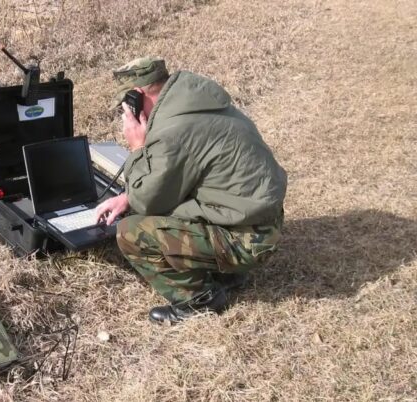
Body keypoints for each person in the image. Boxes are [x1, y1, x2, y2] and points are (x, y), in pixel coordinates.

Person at [95, 57, 287, 324]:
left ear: (137, 96)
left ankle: (199, 299)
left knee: (132, 231)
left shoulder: (173, 132)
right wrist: (126, 197)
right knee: (159, 205)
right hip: (263, 223)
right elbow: (180, 176)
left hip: (248, 241)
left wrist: (138, 148)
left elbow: (147, 201)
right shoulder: (198, 104)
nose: (125, 114)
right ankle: (227, 272)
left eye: (126, 107)